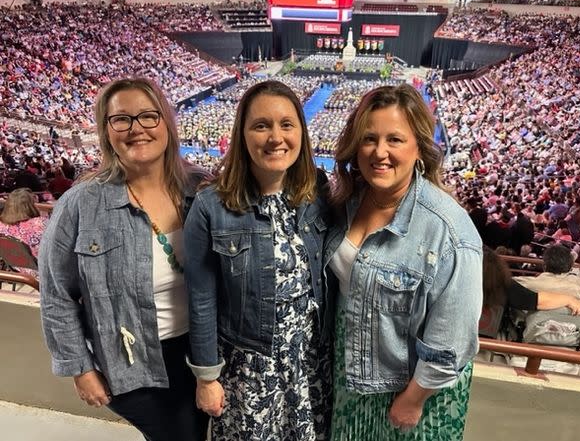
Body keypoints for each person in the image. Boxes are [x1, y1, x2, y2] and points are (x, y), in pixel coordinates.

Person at [38, 78, 209, 441]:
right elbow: (56, 294)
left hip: (205, 352)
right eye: (122, 120)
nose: (136, 129)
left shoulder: (200, 189)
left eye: (148, 116)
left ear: (167, 123)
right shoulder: (80, 204)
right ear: (106, 131)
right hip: (133, 364)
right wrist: (80, 368)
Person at [325, 84, 482, 440]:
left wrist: (414, 397)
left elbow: (452, 339)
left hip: (409, 390)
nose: (379, 152)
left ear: (419, 148)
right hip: (350, 373)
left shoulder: (449, 230)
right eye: (369, 138)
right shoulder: (346, 201)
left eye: (394, 139)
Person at [185, 80, 333, 440]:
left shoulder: (317, 190)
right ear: (243, 134)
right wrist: (207, 377)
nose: (275, 137)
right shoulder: (210, 206)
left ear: (301, 131)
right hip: (248, 370)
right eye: (261, 125)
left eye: (286, 124)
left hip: (311, 363)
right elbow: (201, 299)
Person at [0, 187, 48, 260]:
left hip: (14, 267)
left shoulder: (1, 225)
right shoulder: (40, 223)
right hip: (39, 268)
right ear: (31, 205)